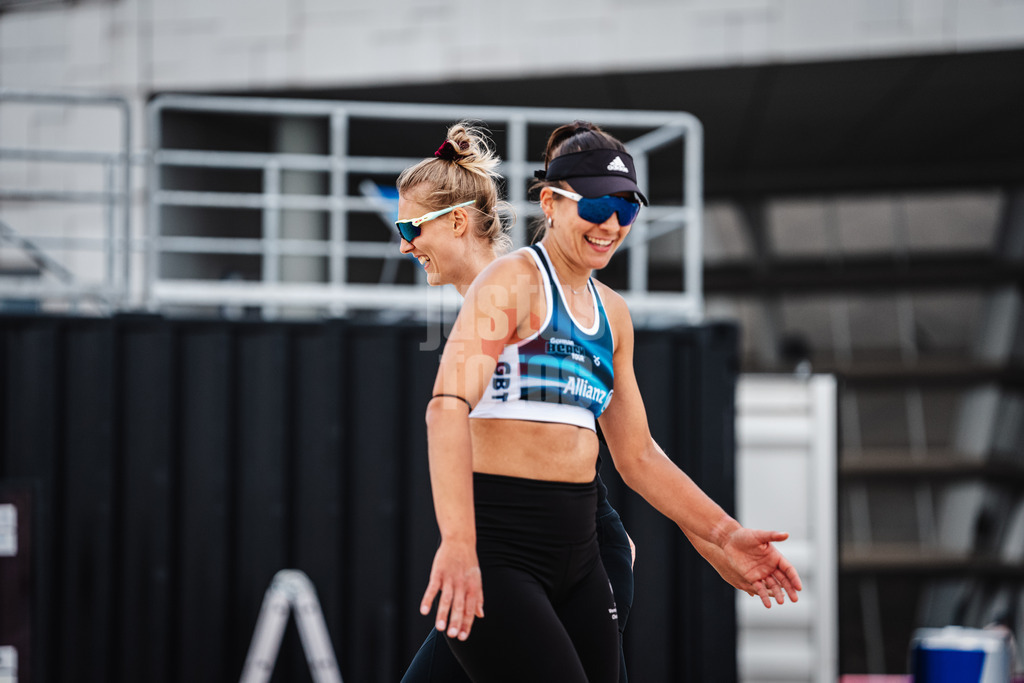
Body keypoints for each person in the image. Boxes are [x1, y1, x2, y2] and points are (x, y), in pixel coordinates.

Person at [413, 121, 803, 683]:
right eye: (596, 206)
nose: (613, 224)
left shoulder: (613, 314)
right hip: (500, 551)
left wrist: (723, 534)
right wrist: (456, 543)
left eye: (627, 207)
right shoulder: (510, 283)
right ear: (550, 202)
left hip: (581, 555)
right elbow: (446, 405)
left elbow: (638, 454)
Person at [395, 122, 637, 683]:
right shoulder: (500, 294)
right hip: (515, 550)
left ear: (457, 222)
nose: (404, 244)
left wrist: (609, 534)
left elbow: (603, 445)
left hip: (564, 547)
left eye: (409, 227)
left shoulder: (522, 288)